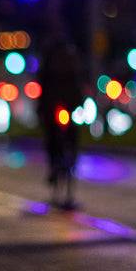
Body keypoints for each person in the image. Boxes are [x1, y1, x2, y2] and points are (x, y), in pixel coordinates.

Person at [37, 40, 84, 209]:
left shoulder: (68, 66)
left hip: (67, 108)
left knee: (70, 137)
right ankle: (54, 168)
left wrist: (79, 105)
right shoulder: (53, 67)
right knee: (53, 138)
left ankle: (65, 165)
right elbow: (44, 91)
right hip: (54, 108)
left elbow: (78, 88)